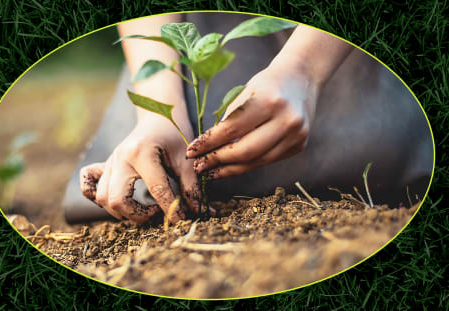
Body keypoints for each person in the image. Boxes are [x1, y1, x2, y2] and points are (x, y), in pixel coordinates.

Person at [65, 13, 433, 224]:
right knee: (153, 164)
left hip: (335, 45)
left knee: (373, 143)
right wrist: (158, 108)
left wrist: (304, 68)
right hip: (184, 49)